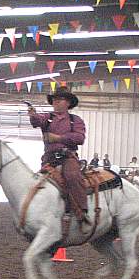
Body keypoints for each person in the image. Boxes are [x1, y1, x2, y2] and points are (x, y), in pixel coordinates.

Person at [28, 87, 87, 221]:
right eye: (54, 100)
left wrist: (58, 138)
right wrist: (33, 115)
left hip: (67, 157)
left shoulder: (75, 120)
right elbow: (37, 121)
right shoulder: (47, 118)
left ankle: (81, 210)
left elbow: (80, 138)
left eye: (59, 99)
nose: (56, 102)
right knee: (37, 183)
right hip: (49, 159)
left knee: (72, 176)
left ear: (67, 103)